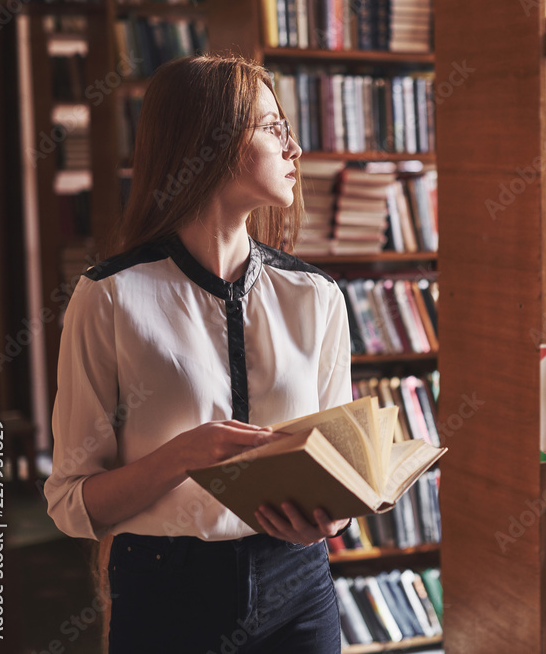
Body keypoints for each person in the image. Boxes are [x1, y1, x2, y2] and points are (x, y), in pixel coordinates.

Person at [44, 54, 351, 653]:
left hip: (301, 586)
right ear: (211, 141)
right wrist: (182, 456)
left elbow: (340, 475)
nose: (293, 150)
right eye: (272, 128)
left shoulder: (317, 296)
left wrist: (331, 519)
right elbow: (70, 502)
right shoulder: (109, 297)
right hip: (165, 590)